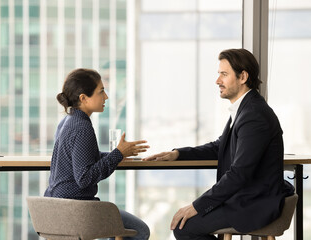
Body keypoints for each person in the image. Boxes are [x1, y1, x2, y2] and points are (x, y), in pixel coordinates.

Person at [144, 49, 294, 240]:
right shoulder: (245, 109)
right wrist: (178, 154)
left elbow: (239, 173)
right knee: (185, 224)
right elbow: (219, 147)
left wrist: (196, 206)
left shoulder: (254, 115)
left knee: (184, 227)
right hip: (247, 197)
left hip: (254, 203)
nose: (217, 81)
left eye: (224, 74)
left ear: (243, 77)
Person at [44, 68, 150, 240]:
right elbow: (84, 178)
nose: (106, 97)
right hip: (76, 210)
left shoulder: (67, 121)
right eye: (101, 92)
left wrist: (118, 155)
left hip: (56, 207)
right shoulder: (82, 127)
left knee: (116, 227)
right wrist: (117, 154)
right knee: (140, 230)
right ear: (83, 98)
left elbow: (82, 157)